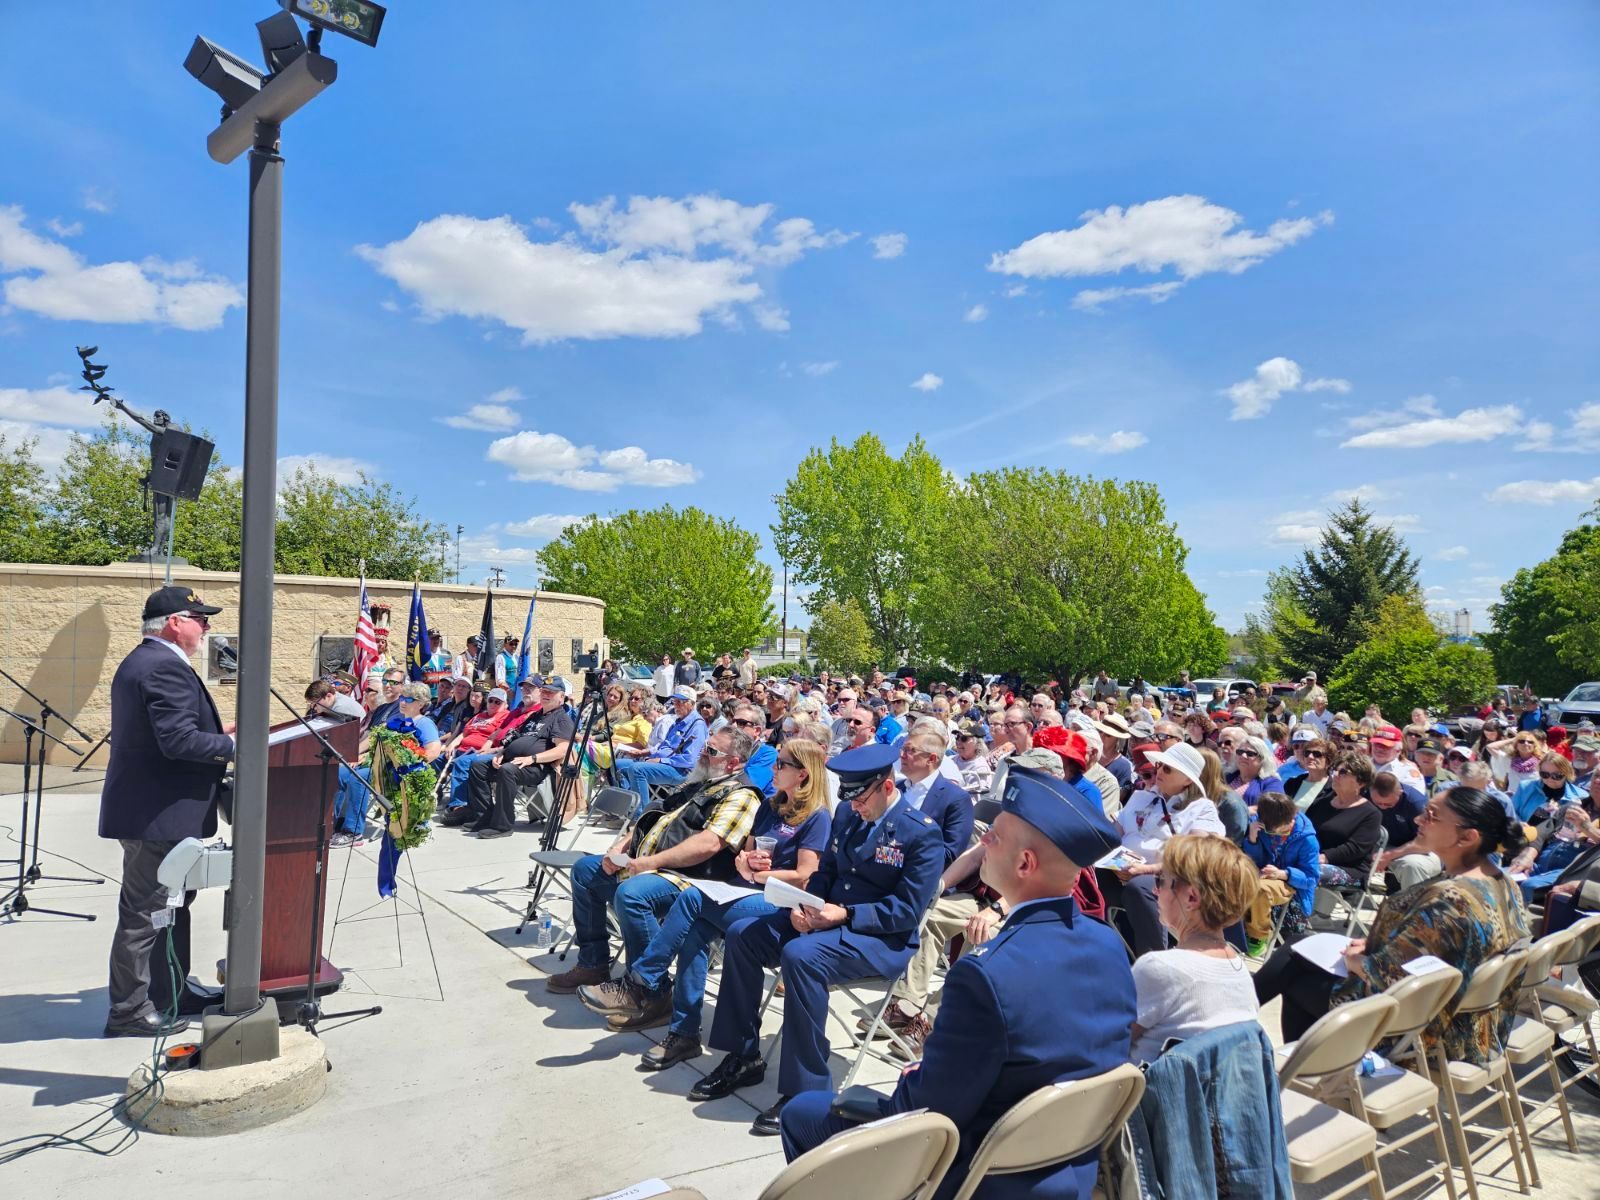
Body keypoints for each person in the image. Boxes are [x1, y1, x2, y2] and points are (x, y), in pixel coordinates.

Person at [778, 765, 1136, 1200]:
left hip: (974, 1171)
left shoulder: (987, 972)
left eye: (995, 836)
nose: (982, 840)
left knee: (803, 1112)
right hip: (1066, 1165)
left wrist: (918, 1076)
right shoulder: (1107, 945)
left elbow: (925, 1109)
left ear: (1025, 863)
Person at [689, 744, 943, 1136]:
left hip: (879, 938)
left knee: (801, 956)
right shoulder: (846, 812)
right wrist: (804, 906)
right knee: (742, 935)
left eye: (860, 799)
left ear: (887, 787)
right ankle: (743, 1055)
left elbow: (906, 912)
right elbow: (825, 871)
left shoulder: (921, 834)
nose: (854, 807)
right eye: (851, 798)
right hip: (827, 917)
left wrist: (843, 914)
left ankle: (805, 1092)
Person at [580, 739, 832, 1046]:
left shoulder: (817, 816)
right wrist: (747, 862)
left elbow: (805, 875)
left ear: (803, 774)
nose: (772, 768)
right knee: (694, 933)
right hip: (743, 892)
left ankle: (643, 982)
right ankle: (684, 1034)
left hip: (780, 904)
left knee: (693, 898)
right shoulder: (770, 807)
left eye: (781, 764)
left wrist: (759, 873)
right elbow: (744, 855)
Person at [1253, 788, 1531, 1056]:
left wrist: (1357, 960)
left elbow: (1387, 978)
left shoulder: (1452, 898)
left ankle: (1296, 1067)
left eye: (1432, 816)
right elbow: (1439, 950)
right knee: (1300, 946)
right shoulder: (1501, 881)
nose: (1418, 819)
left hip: (1426, 1032)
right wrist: (1379, 943)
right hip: (1466, 1020)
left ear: (1467, 837)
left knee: (1296, 973)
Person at [99, 587, 236, 1037]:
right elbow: (177, 742)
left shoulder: (148, 660)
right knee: (145, 915)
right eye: (201, 618)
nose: (207, 627)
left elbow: (173, 731)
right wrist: (235, 744)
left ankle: (171, 990)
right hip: (159, 815)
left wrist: (217, 732)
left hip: (160, 813)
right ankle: (129, 1012)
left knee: (173, 908)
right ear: (175, 622)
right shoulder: (163, 666)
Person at [547, 727, 765, 994]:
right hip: (651, 865)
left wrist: (649, 863)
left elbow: (708, 844)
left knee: (633, 895)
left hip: (691, 880)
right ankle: (593, 964)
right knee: (586, 871)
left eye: (711, 751)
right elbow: (656, 813)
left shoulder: (742, 795)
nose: (702, 753)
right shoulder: (700, 781)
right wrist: (622, 845)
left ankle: (648, 988)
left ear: (733, 762)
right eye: (705, 746)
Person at [1130, 834, 1261, 1062]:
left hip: (1143, 1094)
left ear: (1191, 897)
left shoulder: (1160, 968)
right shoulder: (1238, 970)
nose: (1154, 891)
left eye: (1160, 880)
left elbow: (1106, 1043)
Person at [1101, 743, 1226, 957]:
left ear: (1188, 779)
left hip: (1170, 879)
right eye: (1159, 765)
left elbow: (1194, 856)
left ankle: (1153, 959)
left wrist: (1146, 870)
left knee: (1140, 887)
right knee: (1088, 875)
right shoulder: (1141, 796)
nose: (1158, 772)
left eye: (1167, 769)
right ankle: (1100, 950)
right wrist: (1111, 861)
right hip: (1123, 869)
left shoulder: (1200, 808)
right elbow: (1113, 835)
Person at [462, 677, 577, 837]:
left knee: (507, 771)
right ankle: (484, 816)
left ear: (561, 697)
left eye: (550, 692)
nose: (545, 694)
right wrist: (502, 753)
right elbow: (516, 737)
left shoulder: (561, 719)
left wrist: (532, 759)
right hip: (515, 761)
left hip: (537, 767)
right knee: (478, 767)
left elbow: (562, 750)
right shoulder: (535, 716)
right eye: (544, 691)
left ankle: (503, 825)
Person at [1241, 790, 1320, 950]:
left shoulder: (1307, 839)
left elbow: (1311, 878)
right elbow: (1257, 860)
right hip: (1262, 874)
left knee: (1260, 890)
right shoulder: (1260, 826)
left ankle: (1258, 936)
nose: (1272, 834)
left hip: (1289, 883)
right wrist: (1252, 840)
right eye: (1269, 831)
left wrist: (1283, 874)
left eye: (1277, 830)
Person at [613, 687, 708, 817]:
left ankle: (642, 817)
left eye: (680, 702)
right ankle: (627, 811)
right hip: (662, 763)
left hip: (680, 770)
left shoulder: (697, 725)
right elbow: (663, 746)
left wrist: (660, 760)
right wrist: (645, 753)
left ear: (691, 703)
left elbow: (688, 760)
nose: (676, 705)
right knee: (617, 765)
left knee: (637, 769)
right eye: (675, 702)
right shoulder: (678, 722)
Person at [1305, 751, 1383, 886]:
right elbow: (1306, 829)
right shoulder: (1322, 802)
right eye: (1334, 770)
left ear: (1361, 782)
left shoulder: (1371, 814)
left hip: (1349, 868)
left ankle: (1297, 907)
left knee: (1306, 871)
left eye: (1343, 772)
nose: (1335, 775)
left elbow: (1355, 848)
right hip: (1314, 859)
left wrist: (1324, 857)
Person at [1510, 751, 1582, 824]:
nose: (1550, 779)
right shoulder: (1526, 786)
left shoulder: (1577, 797)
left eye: (1557, 775)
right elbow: (1510, 811)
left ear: (1567, 773)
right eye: (1544, 774)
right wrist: (1520, 824)